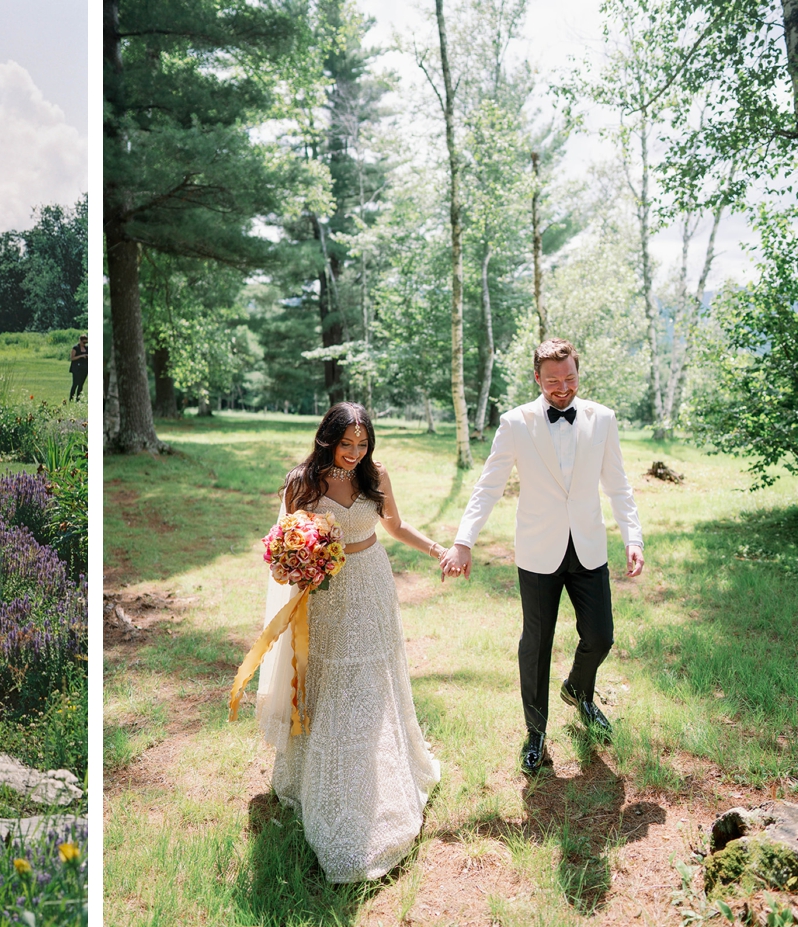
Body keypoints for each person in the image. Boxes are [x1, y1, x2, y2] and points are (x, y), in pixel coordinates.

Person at [253, 402, 443, 882]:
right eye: (346, 444)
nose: (355, 453)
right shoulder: (303, 482)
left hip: (372, 584)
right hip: (325, 592)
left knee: (370, 677)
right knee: (329, 673)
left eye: (362, 444)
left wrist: (436, 548)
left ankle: (378, 773)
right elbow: (282, 544)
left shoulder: (376, 475)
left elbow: (394, 526)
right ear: (328, 439)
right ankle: (320, 778)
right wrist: (293, 563)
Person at [440, 338, 643, 775]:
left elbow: (619, 485)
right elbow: (488, 486)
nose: (562, 388)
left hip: (588, 547)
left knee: (602, 636)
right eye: (552, 381)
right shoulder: (516, 423)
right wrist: (464, 540)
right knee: (536, 645)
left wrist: (634, 537)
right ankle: (535, 733)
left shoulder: (602, 419)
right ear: (537, 378)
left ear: (577, 373)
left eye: (569, 378)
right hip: (537, 552)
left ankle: (579, 691)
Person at [68, 335, 88, 403]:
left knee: (81, 384)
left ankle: (78, 399)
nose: (84, 344)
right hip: (76, 368)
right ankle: (71, 398)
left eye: (86, 343)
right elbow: (72, 358)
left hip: (84, 368)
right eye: (83, 342)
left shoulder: (87, 348)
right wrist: (81, 356)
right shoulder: (75, 348)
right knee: (75, 384)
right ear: (80, 341)